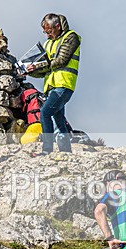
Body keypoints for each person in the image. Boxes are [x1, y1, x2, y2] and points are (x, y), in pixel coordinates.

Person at [27, 13, 80, 156]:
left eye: (49, 31)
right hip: (51, 86)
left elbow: (61, 60)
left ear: (57, 26)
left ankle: (47, 149)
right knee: (59, 119)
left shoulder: (71, 37)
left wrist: (39, 66)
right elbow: (45, 68)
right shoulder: (48, 43)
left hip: (64, 84)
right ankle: (66, 152)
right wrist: (29, 71)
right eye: (45, 32)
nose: (47, 35)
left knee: (45, 112)